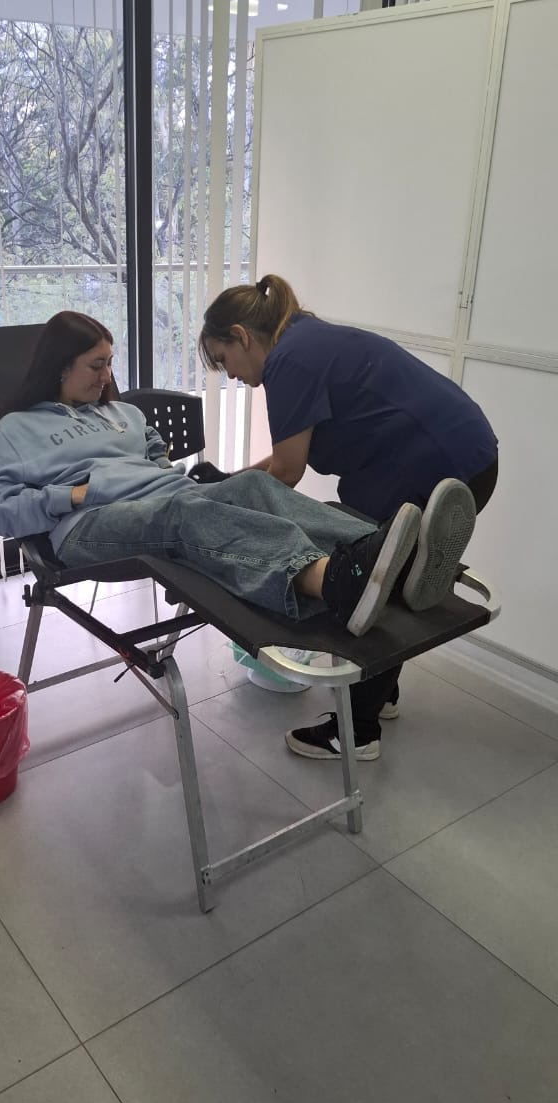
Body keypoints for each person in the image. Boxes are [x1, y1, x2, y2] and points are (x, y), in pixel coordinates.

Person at [0, 311, 477, 645]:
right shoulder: (16, 429)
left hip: (167, 497)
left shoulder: (122, 413)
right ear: (59, 367)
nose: (108, 376)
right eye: (96, 365)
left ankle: (400, 558)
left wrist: (158, 465)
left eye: (109, 363)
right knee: (185, 512)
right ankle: (333, 582)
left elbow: (153, 452)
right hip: (90, 523)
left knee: (255, 485)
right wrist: (72, 495)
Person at [199, 274, 498, 761]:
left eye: (223, 359)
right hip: (472, 455)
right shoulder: (305, 336)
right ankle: (381, 694)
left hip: (431, 464)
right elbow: (287, 458)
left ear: (241, 336)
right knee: (397, 576)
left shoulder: (288, 361)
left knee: (366, 582)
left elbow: (287, 471)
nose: (230, 375)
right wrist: (233, 481)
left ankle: (356, 732)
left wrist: (223, 502)